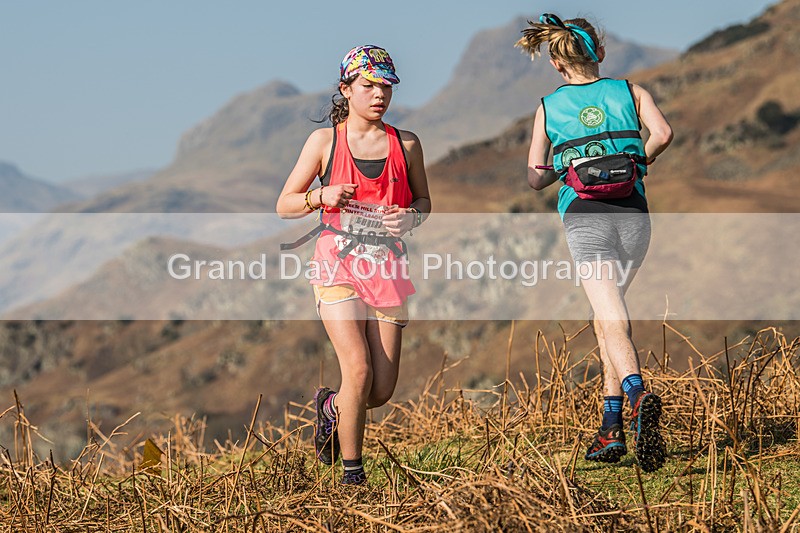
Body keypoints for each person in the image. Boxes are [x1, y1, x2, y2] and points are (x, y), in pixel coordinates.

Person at [516, 14, 673, 472]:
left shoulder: (548, 106)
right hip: (634, 216)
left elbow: (533, 178)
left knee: (609, 316)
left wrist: (566, 168)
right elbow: (663, 134)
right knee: (611, 317)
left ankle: (637, 392)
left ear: (557, 64)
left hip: (585, 216)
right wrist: (637, 162)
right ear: (598, 53)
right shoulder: (631, 91)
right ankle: (611, 430)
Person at [276, 45, 431, 485]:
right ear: (346, 89)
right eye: (368, 86)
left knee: (378, 391)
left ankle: (329, 408)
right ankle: (352, 476)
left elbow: (424, 200)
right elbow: (284, 205)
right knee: (357, 370)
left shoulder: (407, 143)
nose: (378, 95)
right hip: (337, 264)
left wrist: (412, 216)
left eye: (386, 87)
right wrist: (318, 197)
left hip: (389, 269)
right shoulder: (324, 142)